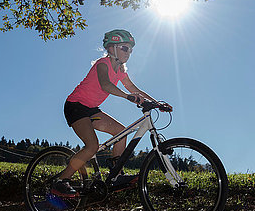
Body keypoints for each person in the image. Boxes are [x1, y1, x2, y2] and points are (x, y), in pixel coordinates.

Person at [53, 29, 172, 197]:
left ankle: (116, 175)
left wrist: (156, 102)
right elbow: (105, 85)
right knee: (92, 146)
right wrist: (127, 97)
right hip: (76, 106)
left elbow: (133, 88)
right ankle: (61, 181)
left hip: (92, 109)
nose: (129, 52)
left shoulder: (121, 71)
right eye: (125, 48)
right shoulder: (103, 63)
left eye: (130, 49)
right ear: (112, 48)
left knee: (121, 132)